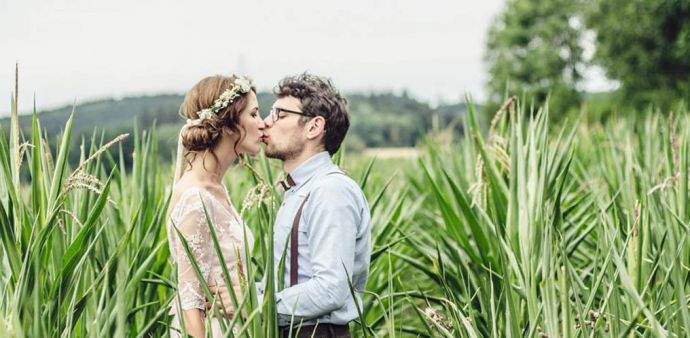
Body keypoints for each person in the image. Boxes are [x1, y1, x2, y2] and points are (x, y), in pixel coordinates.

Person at [209, 73, 372, 338]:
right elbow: (288, 281)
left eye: (279, 114)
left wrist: (256, 303)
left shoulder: (330, 190)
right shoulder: (298, 190)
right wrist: (247, 293)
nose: (265, 123)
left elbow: (331, 287)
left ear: (313, 127)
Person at [166, 74, 265, 338]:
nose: (263, 124)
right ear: (231, 125)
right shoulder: (195, 198)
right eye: (254, 115)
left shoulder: (217, 188)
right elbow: (190, 302)